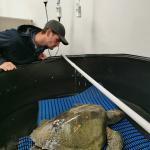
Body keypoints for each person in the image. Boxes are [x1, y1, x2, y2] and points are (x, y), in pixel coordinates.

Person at [0, 19, 68, 71]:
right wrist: (2, 62)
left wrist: (36, 55)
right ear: (49, 33)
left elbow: (29, 48)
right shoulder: (14, 38)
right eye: (57, 40)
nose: (58, 45)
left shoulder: (42, 45)